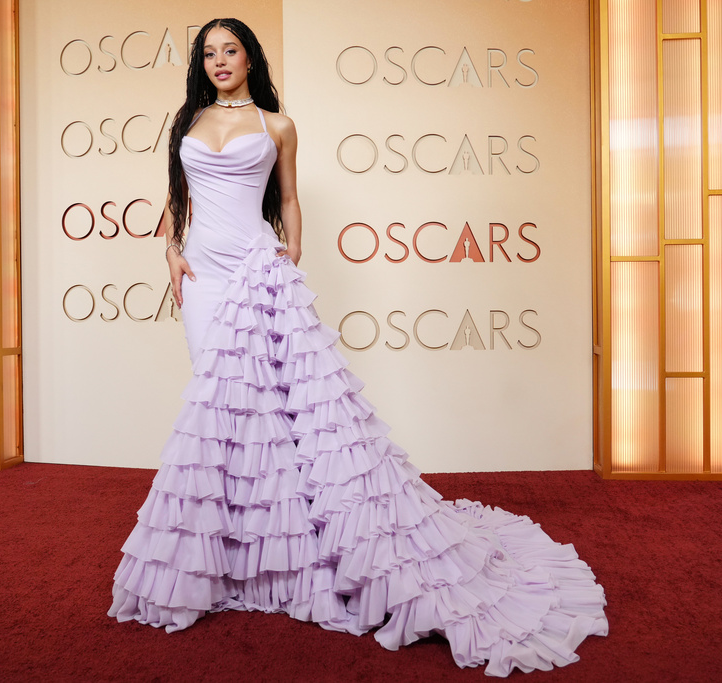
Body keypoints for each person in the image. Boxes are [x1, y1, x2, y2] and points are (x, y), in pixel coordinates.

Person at [107, 18, 608, 676]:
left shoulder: (276, 125)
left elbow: (287, 196)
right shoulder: (188, 120)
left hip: (257, 268)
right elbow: (176, 197)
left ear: (250, 59)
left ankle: (277, 558)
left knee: (269, 411)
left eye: (230, 50)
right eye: (210, 52)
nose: (220, 60)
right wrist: (169, 252)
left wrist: (291, 250)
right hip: (203, 275)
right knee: (221, 409)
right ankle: (228, 555)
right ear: (201, 63)